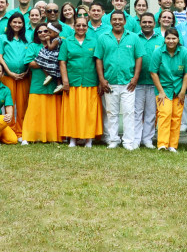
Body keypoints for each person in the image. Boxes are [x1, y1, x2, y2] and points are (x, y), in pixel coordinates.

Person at [94, 11, 143, 150]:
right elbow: (99, 59)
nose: (117, 22)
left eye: (120, 19)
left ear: (125, 21)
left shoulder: (133, 37)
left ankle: (128, 141)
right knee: (112, 112)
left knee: (128, 112)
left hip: (128, 82)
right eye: (114, 19)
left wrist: (135, 78)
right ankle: (113, 139)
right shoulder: (103, 37)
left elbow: (139, 57)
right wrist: (102, 79)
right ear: (110, 21)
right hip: (110, 82)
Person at [59, 17, 102, 148]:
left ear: (87, 27)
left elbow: (99, 62)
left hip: (90, 82)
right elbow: (62, 62)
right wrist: (65, 80)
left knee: (89, 112)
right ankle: (73, 138)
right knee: (73, 111)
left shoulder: (94, 42)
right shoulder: (67, 42)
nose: (81, 28)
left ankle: (88, 139)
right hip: (73, 82)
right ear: (74, 26)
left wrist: (100, 81)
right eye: (78, 25)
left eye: (84, 25)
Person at [150, 27, 187, 152]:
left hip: (179, 89)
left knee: (176, 117)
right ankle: (162, 144)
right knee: (165, 114)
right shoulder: (158, 52)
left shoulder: (184, 52)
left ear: (178, 39)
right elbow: (153, 72)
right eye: (168, 38)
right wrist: (161, 91)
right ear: (164, 39)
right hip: (163, 89)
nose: (171, 41)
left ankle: (173, 145)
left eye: (174, 38)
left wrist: (183, 91)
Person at [23, 24, 64, 144]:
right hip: (38, 83)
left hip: (53, 85)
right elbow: (29, 62)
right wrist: (48, 62)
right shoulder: (33, 46)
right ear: (36, 34)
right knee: (34, 112)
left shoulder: (57, 45)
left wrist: (41, 60)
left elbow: (61, 61)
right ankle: (30, 137)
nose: (43, 33)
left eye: (45, 31)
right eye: (39, 32)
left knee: (52, 113)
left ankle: (52, 137)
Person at [133, 12, 164, 148]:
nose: (147, 24)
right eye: (144, 22)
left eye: (149, 22)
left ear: (154, 23)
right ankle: (135, 139)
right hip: (137, 82)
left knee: (151, 113)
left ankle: (147, 139)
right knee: (137, 112)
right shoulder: (134, 38)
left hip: (155, 83)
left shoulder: (161, 39)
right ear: (140, 23)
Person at [0, 13, 31, 139]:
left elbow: (31, 55)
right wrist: (9, 72)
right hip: (8, 76)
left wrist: (27, 71)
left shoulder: (28, 38)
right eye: (14, 22)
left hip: (24, 76)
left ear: (23, 24)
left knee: (22, 104)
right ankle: (10, 130)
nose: (17, 25)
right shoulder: (3, 38)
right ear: (10, 23)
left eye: (19, 23)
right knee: (9, 103)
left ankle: (20, 131)